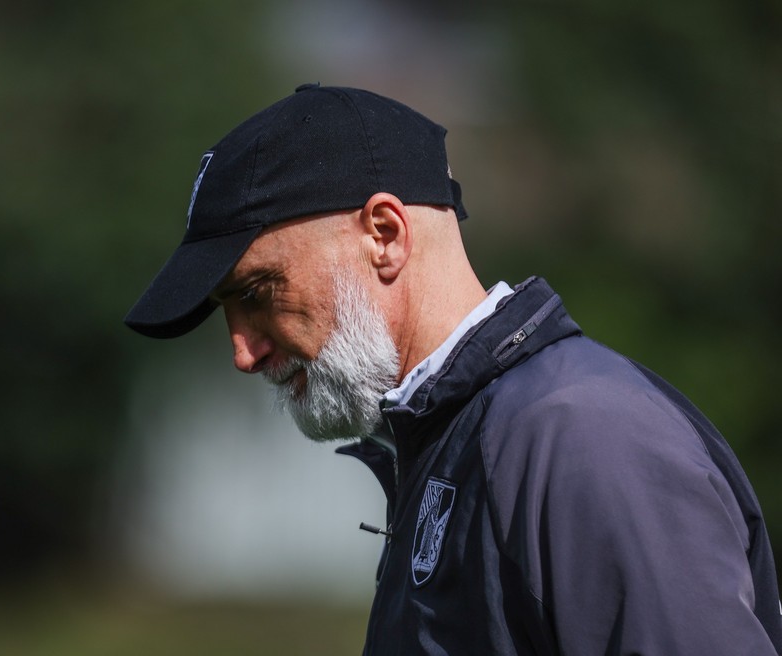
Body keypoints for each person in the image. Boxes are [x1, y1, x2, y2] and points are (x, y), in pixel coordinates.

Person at [124, 83, 782, 655]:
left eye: (258, 292)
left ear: (385, 234)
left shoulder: (580, 435)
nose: (244, 351)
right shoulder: (457, 437)